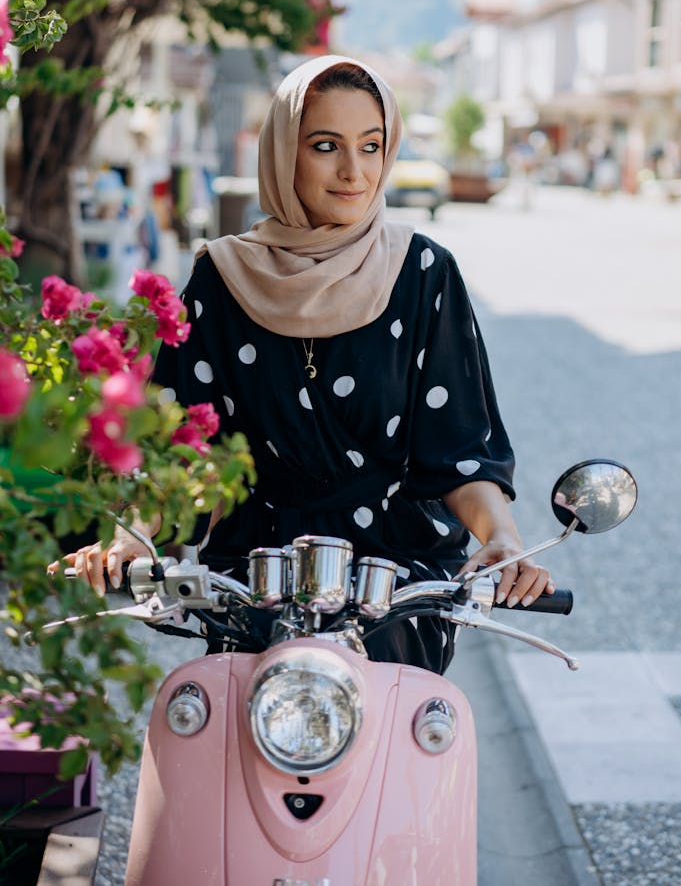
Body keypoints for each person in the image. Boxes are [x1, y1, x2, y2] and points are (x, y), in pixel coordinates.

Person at [57, 55, 554, 674]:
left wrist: (502, 538)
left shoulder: (425, 272)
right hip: (254, 581)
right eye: (326, 146)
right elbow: (184, 447)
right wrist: (133, 531)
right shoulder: (222, 276)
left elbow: (455, 452)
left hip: (392, 580)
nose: (354, 171)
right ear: (284, 152)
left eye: (371, 146)